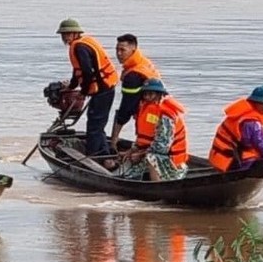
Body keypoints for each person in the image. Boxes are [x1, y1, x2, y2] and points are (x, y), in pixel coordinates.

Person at [56, 18, 118, 158]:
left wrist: (82, 93)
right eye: (63, 35)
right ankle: (104, 153)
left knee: (94, 124)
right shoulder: (81, 44)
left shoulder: (80, 47)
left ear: (74, 33)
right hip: (105, 87)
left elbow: (87, 72)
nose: (64, 37)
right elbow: (77, 70)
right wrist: (72, 86)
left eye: (66, 34)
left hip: (103, 88)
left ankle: (94, 156)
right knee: (97, 122)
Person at [118, 79, 188, 181]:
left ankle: (157, 187)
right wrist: (131, 151)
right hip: (151, 152)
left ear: (159, 94)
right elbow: (142, 140)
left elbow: (162, 146)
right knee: (128, 173)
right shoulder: (145, 108)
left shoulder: (166, 115)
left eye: (151, 94)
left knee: (152, 157)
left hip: (172, 162)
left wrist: (140, 154)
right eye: (145, 94)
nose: (147, 97)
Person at [110, 33, 162, 152]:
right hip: (159, 109)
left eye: (122, 50)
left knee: (144, 141)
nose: (118, 53)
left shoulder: (133, 75)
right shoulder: (143, 62)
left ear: (133, 49)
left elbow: (126, 108)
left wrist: (113, 141)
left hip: (149, 114)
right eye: (117, 50)